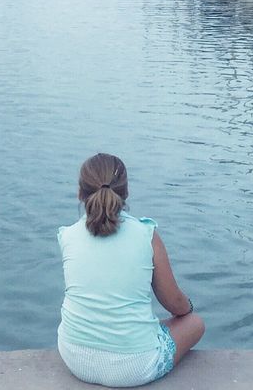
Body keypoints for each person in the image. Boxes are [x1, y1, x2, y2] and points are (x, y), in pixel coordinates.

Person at [56, 153, 204, 387]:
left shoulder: (67, 236)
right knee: (194, 323)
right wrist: (187, 310)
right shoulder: (146, 235)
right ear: (125, 193)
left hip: (75, 357)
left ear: (80, 193)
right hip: (134, 366)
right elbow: (174, 303)